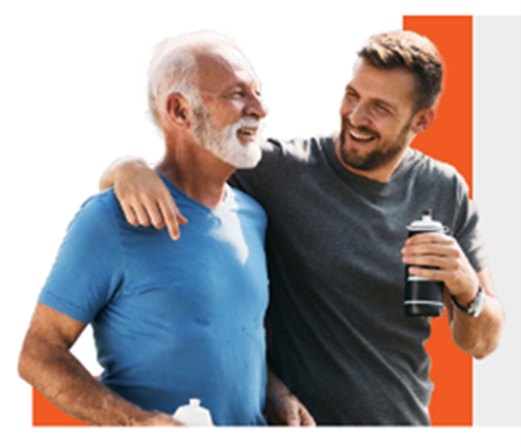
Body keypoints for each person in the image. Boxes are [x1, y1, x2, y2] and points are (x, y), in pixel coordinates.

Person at [99, 30, 504, 425]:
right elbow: (167, 180)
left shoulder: (445, 188)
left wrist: (467, 288)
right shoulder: (279, 171)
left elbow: (482, 342)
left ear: (422, 120)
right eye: (352, 95)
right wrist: (125, 168)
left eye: (380, 107)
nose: (356, 117)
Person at [18, 31, 315, 427]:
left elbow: (237, 341)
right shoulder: (109, 218)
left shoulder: (252, 216)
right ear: (179, 111)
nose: (260, 108)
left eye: (257, 92)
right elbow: (38, 354)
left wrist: (276, 395)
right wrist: (136, 424)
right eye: (236, 94)